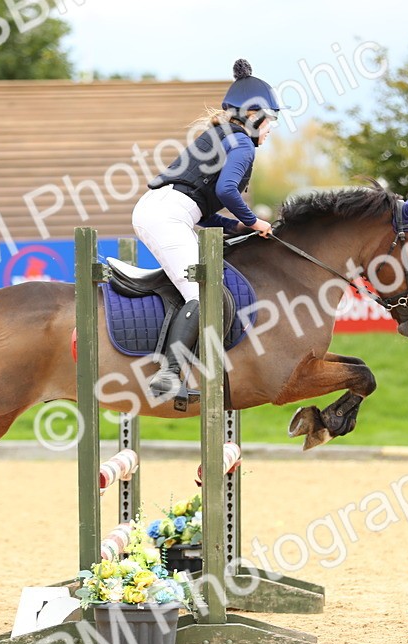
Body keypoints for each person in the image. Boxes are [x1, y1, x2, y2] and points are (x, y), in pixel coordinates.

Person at [132, 58, 279, 397]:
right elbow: (227, 190)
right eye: (271, 120)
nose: (271, 128)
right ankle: (169, 375)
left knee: (205, 289)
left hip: (168, 211)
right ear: (253, 117)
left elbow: (205, 212)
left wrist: (239, 227)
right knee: (204, 294)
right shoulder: (241, 143)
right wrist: (253, 220)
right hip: (166, 214)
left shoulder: (221, 136)